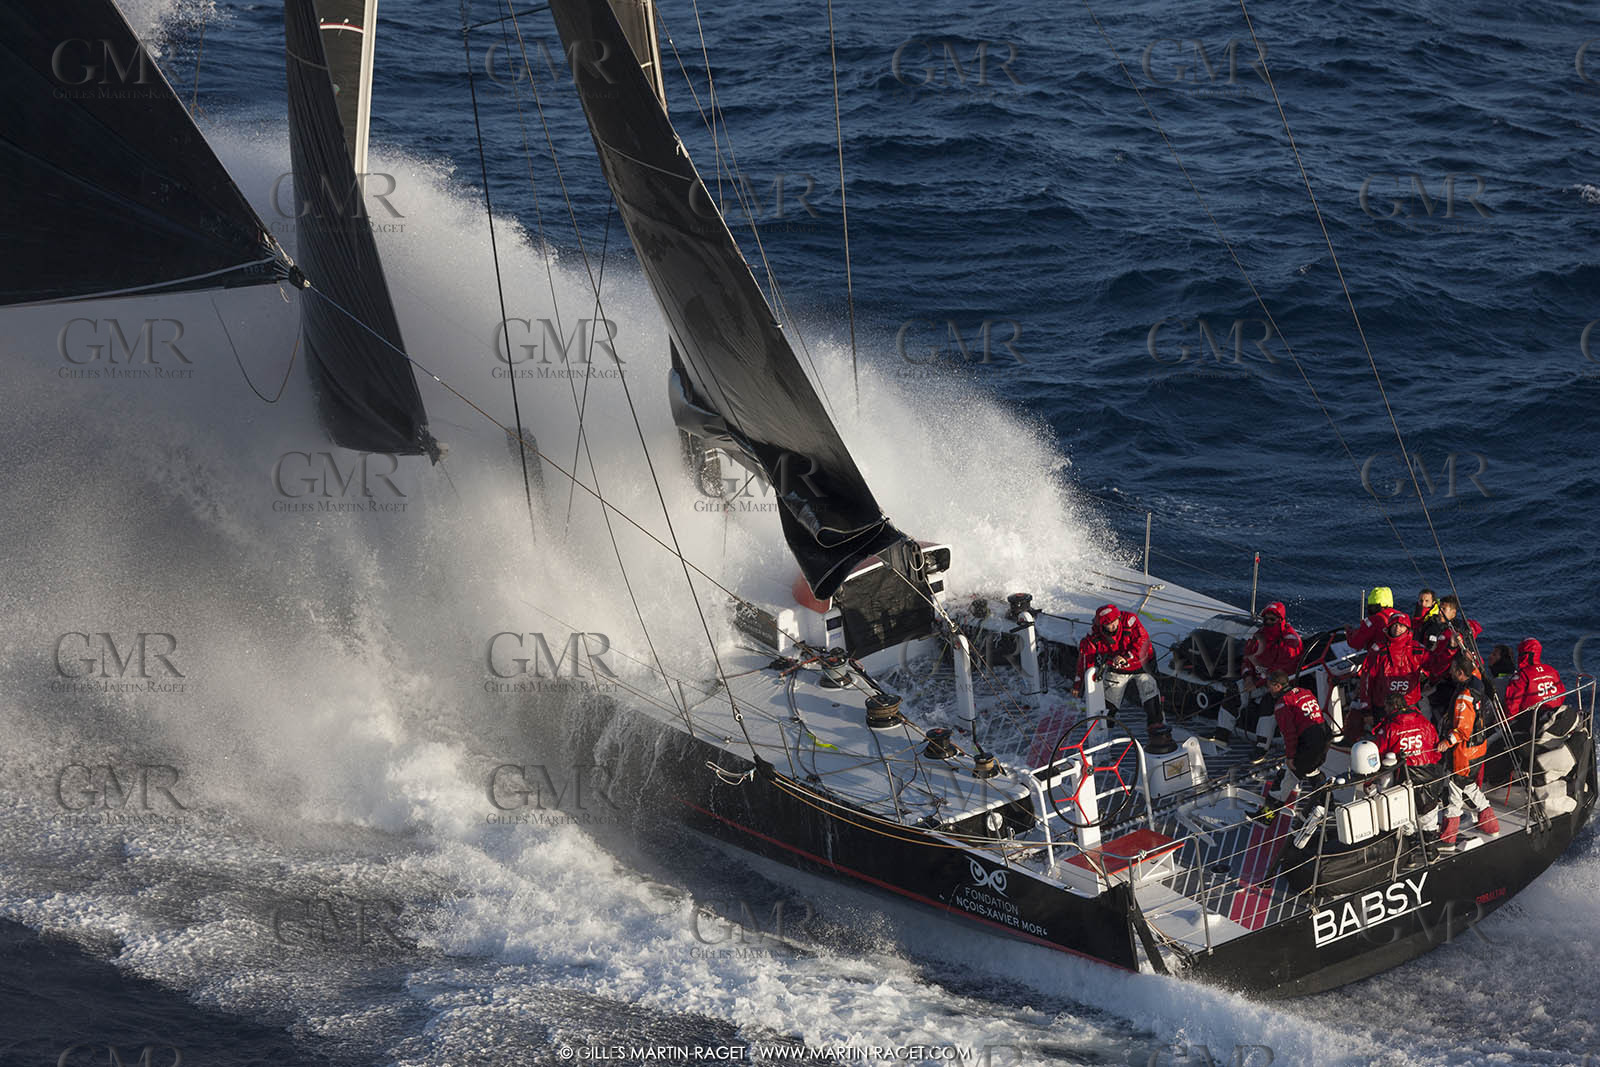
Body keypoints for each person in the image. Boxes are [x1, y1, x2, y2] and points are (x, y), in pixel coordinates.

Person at [1074, 603, 1177, 754]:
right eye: (1107, 624)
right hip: (1117, 671)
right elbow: (1085, 659)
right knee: (1108, 708)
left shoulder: (1131, 620)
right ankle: (1101, 746)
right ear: (1100, 624)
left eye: (1114, 621)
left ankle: (1159, 738)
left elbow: (1142, 641)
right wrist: (1078, 685)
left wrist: (1126, 657)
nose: (1112, 626)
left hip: (1143, 666)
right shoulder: (1093, 636)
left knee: (1151, 699)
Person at [1213, 602, 1303, 744]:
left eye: (1272, 620)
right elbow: (1247, 659)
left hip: (1280, 683)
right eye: (1265, 619)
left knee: (1269, 702)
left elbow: (1283, 670)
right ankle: (1220, 737)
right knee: (1233, 692)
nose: (1268, 622)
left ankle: (1262, 746)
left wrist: (1258, 683)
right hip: (1257, 680)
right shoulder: (1259, 636)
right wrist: (1248, 677)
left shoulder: (1291, 641)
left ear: (1281, 620)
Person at [1436, 654, 1501, 845]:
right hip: (1478, 748)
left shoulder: (1463, 697)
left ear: (1460, 673)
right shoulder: (1477, 683)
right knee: (1469, 786)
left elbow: (1463, 729)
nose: (1450, 672)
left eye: (1453, 669)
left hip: (1463, 753)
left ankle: (1448, 836)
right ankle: (1490, 823)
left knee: (1455, 793)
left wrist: (1446, 742)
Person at [1254, 670, 1331, 820]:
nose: (1268, 689)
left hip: (1308, 745)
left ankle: (1265, 818)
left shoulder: (1282, 705)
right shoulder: (1305, 692)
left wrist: (1290, 757)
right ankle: (1330, 806)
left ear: (1277, 686)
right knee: (1312, 771)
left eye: (1269, 686)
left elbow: (1290, 735)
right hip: (1324, 739)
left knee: (1284, 778)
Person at [1372, 693, 1446, 839]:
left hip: (1404, 777)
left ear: (1391, 706)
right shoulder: (1424, 722)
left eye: (1386, 706)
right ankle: (1430, 849)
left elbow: (1379, 753)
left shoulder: (1390, 727)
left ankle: (1409, 849)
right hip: (1429, 775)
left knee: (1405, 815)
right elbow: (1436, 751)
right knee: (1429, 817)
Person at [1353, 614, 1425, 741]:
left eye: (1401, 626)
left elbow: (1435, 666)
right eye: (1395, 625)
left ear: (1408, 629)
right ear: (1389, 628)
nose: (1397, 628)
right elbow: (1367, 680)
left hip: (1409, 705)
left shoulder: (1418, 649)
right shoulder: (1378, 651)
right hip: (1382, 707)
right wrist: (1366, 710)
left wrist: (1452, 646)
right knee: (1384, 740)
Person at [1504, 637, 1566, 732]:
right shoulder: (1551, 671)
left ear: (1523, 654)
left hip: (1532, 724)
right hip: (1555, 717)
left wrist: (1506, 724)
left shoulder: (1522, 676)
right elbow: (1561, 695)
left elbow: (1512, 706)